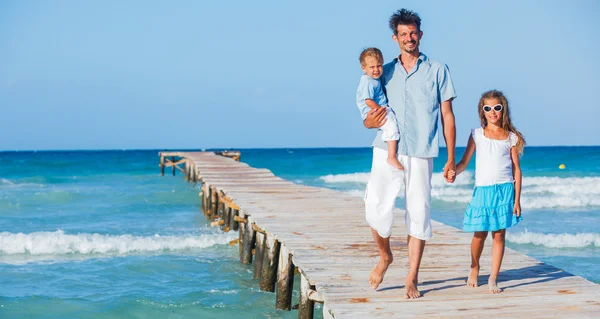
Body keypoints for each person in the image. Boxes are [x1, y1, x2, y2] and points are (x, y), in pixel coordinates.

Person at [360, 8, 457, 299]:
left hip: (421, 150)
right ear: (395, 37)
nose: (409, 38)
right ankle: (385, 256)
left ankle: (411, 277)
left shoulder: (438, 69)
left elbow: (448, 115)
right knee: (375, 208)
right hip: (386, 147)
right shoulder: (383, 71)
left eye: (413, 32)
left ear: (420, 34)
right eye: (403, 34)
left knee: (419, 213)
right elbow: (368, 114)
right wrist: (368, 121)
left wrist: (451, 157)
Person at [453, 89, 525, 294]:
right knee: (479, 235)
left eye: (497, 108)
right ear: (482, 112)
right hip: (483, 191)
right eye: (488, 108)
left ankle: (493, 277)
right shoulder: (476, 134)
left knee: (499, 235)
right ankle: (474, 267)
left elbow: (517, 170)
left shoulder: (511, 137)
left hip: (504, 191)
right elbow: (464, 162)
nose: (492, 112)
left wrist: (517, 200)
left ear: (503, 110)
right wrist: (453, 171)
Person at [357, 48, 403, 170]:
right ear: (364, 68)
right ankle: (391, 156)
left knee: (390, 128)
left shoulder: (373, 79)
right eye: (372, 67)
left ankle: (390, 151)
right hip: (375, 110)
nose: (376, 70)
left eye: (379, 66)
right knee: (392, 126)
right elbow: (367, 100)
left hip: (378, 108)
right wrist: (380, 110)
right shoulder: (367, 81)